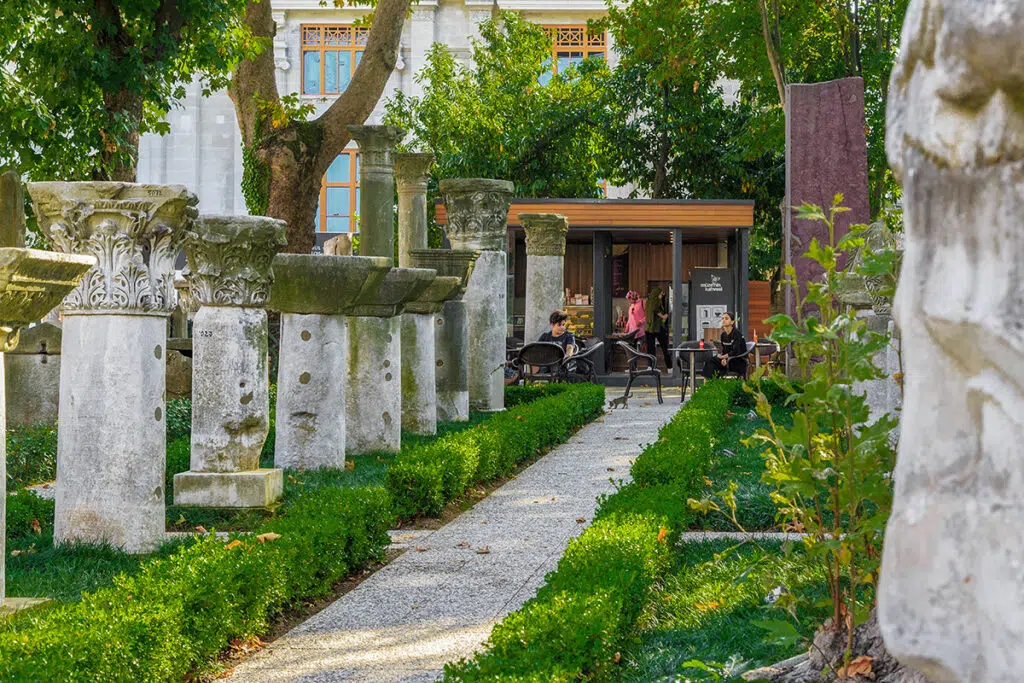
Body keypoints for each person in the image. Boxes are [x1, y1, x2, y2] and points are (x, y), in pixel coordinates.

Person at [701, 312, 748, 379]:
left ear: (732, 322)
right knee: (710, 361)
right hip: (727, 359)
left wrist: (725, 358)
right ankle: (711, 384)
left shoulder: (737, 334)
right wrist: (721, 356)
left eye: (726, 318)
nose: (723, 320)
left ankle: (714, 383)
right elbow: (724, 350)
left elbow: (736, 351)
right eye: (722, 318)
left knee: (714, 364)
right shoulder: (723, 335)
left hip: (738, 361)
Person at [644, 286, 672, 369]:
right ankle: (670, 367)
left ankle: (650, 366)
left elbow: (651, 311)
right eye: (660, 294)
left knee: (650, 349)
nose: (661, 296)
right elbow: (655, 309)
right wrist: (664, 316)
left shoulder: (648, 301)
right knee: (665, 348)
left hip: (649, 328)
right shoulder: (656, 301)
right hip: (657, 328)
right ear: (656, 294)